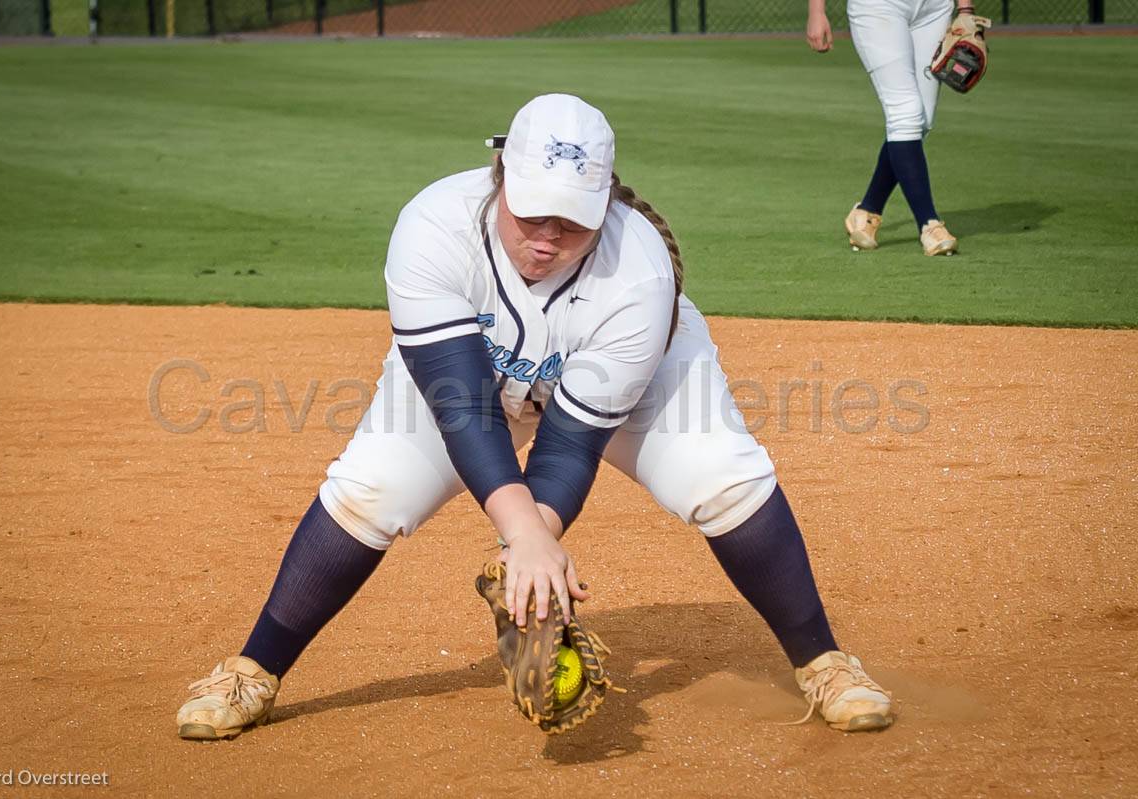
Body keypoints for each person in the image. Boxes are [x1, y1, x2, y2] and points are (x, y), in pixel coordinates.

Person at [175, 94, 895, 741]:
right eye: (532, 211)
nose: (548, 237)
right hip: (469, 381)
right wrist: (521, 534)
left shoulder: (638, 273)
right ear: (500, 178)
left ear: (607, 204)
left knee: (723, 476)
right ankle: (253, 669)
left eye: (574, 220)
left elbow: (570, 440)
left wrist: (533, 552)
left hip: (631, 377)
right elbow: (461, 406)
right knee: (371, 489)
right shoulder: (434, 228)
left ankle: (825, 662)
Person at [807, 0, 970, 255]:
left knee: (921, 121)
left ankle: (867, 211)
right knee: (906, 112)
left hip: (934, 9)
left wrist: (965, 10)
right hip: (878, 7)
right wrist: (817, 11)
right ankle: (929, 225)